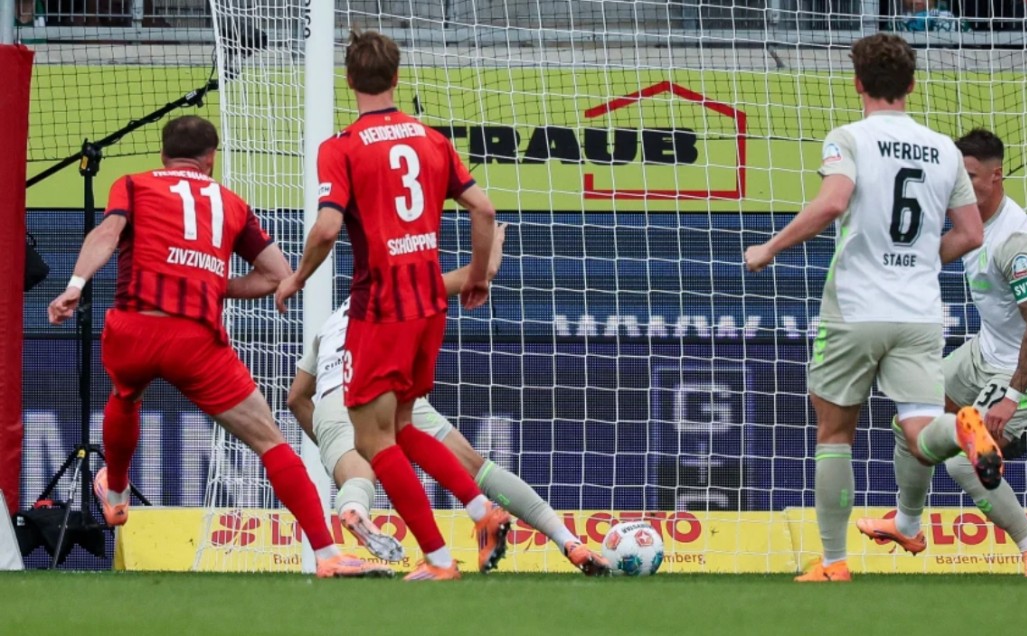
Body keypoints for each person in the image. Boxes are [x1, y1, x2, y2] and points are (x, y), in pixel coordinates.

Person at [47, 115, 389, 579]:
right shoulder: (232, 203)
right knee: (270, 442)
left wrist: (75, 285)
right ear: (210, 159)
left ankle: (118, 494)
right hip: (196, 341)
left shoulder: (133, 184)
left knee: (125, 395)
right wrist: (209, 284)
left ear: (163, 154)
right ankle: (327, 555)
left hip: (134, 329)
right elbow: (277, 275)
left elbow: (107, 233)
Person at [744, 33, 986, 582]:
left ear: (857, 83)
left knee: (835, 434)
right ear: (912, 85)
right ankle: (962, 429)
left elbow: (833, 202)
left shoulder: (849, 138)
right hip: (919, 311)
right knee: (921, 432)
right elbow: (971, 233)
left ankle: (834, 563)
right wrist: (919, 261)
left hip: (855, 307)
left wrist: (769, 249)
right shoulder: (945, 149)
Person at [275, 30, 507, 581]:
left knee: (370, 437)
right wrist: (477, 275)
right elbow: (483, 209)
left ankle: (440, 560)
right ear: (397, 78)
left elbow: (327, 228)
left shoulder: (342, 147)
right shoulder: (432, 140)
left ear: (349, 80)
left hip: (380, 309)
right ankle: (482, 510)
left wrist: (296, 279)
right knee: (401, 424)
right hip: (428, 304)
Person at [288, 224, 611, 575]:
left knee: (358, 473)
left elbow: (296, 397)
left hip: (335, 396)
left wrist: (334, 445)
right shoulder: (409, 288)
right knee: (478, 469)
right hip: (391, 391)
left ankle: (356, 509)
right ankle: (569, 541)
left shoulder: (333, 321)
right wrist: (494, 244)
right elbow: (482, 273)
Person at [856, 129, 1027, 577]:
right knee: (908, 422)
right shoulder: (970, 221)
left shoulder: (1016, 243)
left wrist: (1011, 397)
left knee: (962, 461)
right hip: (984, 351)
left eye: (970, 176)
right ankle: (907, 526)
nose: (961, 185)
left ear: (996, 176)